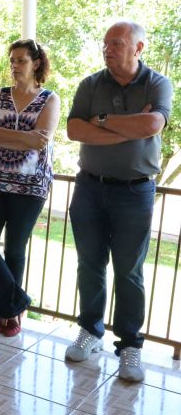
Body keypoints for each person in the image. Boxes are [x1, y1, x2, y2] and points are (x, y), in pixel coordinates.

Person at [64, 21, 172, 382]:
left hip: (135, 192)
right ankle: (90, 331)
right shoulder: (90, 84)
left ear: (138, 48)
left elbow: (152, 125)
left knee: (129, 270)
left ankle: (129, 346)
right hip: (89, 188)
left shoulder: (157, 83)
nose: (108, 49)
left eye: (117, 44)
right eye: (106, 43)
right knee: (89, 264)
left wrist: (101, 122)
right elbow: (74, 130)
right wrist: (128, 128)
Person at [0, 40, 59, 337]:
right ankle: (18, 300)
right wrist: (23, 137)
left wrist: (0, 134)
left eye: (21, 60)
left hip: (31, 185)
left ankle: (6, 315)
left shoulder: (49, 99)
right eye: (12, 60)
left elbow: (41, 139)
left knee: (14, 248)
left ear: (36, 63)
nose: (14, 65)